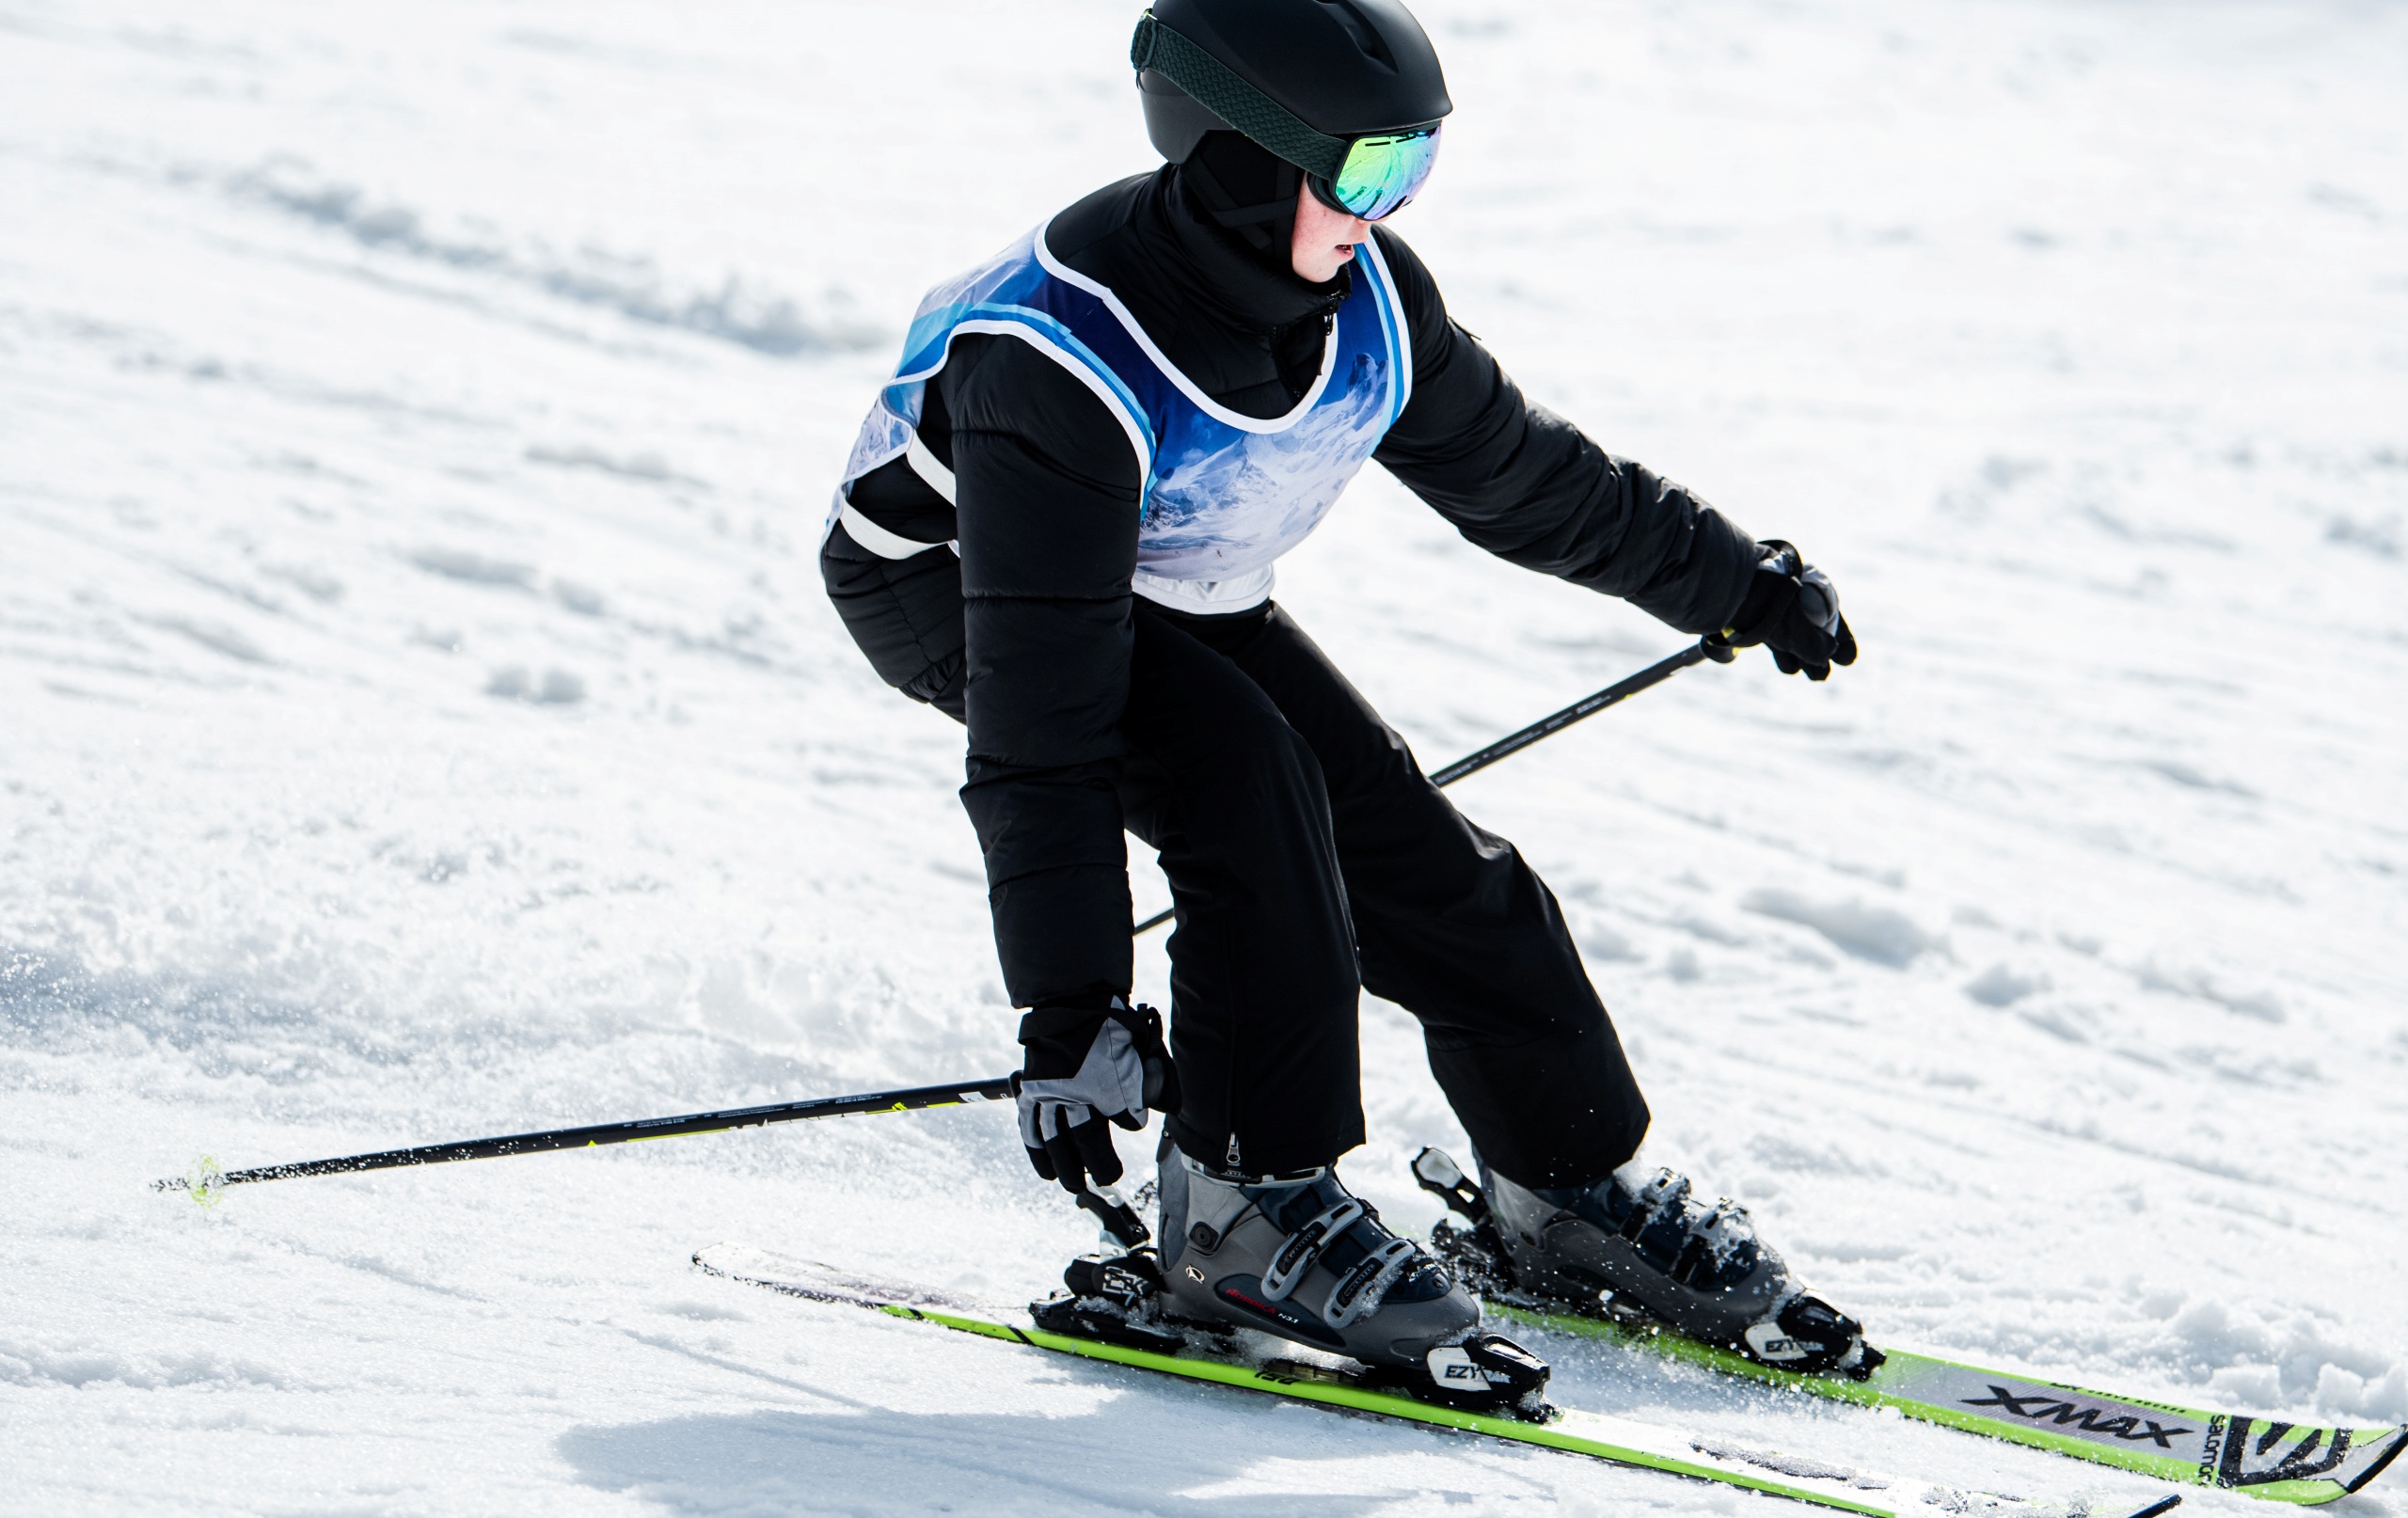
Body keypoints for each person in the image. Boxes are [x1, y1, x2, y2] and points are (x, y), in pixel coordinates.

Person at [821, 0, 1866, 1383]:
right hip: (964, 584)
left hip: (1174, 582)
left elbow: (1527, 479)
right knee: (1248, 794)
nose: (1392, 208)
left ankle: (1567, 1188)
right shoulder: (1058, 362)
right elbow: (1044, 730)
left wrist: (1730, 577)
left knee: (1434, 866)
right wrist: (1068, 1011)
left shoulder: (1365, 302)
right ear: (1243, 163)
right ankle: (1242, 1211)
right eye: (1367, 174)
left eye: (1415, 168)